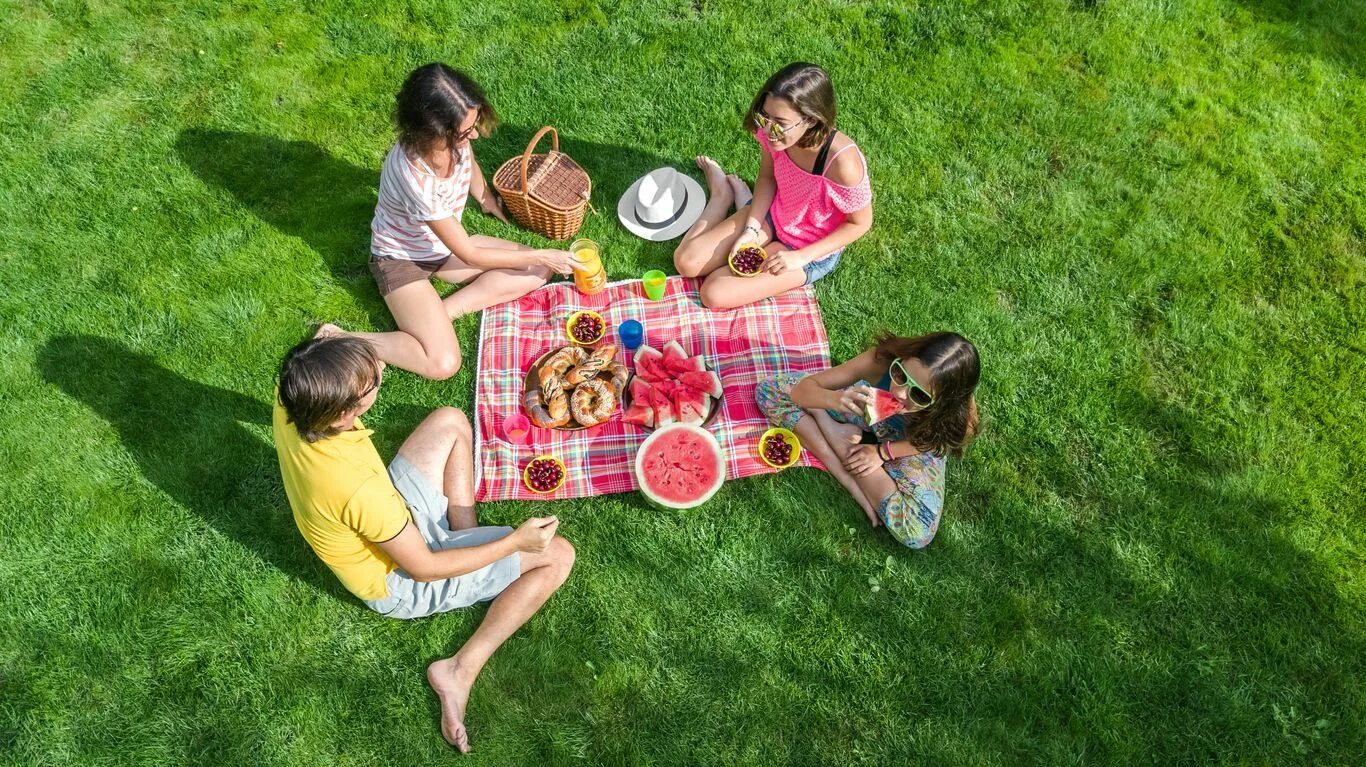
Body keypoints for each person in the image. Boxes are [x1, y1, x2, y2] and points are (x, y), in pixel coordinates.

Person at [272, 333, 575, 752]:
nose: (380, 370)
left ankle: (465, 540)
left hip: (392, 515)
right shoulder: (356, 490)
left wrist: (341, 341)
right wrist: (514, 543)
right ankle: (458, 671)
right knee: (557, 555)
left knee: (450, 420)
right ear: (345, 414)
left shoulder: (294, 391)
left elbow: (325, 336)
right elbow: (423, 568)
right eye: (370, 382)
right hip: (399, 578)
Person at [320, 63, 577, 380]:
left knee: (538, 272)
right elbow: (469, 253)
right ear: (432, 132)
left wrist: (484, 197)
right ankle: (340, 337)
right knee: (443, 364)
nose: (476, 135)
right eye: (466, 131)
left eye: (475, 123)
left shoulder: (455, 140)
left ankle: (439, 316)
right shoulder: (414, 177)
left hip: (444, 248)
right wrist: (541, 252)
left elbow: (468, 160)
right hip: (402, 259)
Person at [673, 62, 873, 310]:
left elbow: (860, 223)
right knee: (686, 262)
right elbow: (767, 179)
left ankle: (741, 200)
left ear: (810, 120)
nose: (768, 130)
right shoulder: (774, 134)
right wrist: (751, 229)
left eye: (779, 122)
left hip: (805, 248)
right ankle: (722, 195)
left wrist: (800, 257)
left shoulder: (843, 163)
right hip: (774, 213)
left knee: (713, 293)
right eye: (764, 116)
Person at [756, 332, 980, 548]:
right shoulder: (880, 361)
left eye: (919, 394)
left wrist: (883, 453)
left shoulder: (957, 414)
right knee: (769, 391)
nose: (900, 393)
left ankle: (841, 442)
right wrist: (833, 400)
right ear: (903, 357)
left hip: (910, 443)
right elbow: (801, 392)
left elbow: (933, 443)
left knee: (916, 532)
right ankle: (833, 434)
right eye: (901, 374)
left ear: (944, 402)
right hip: (863, 413)